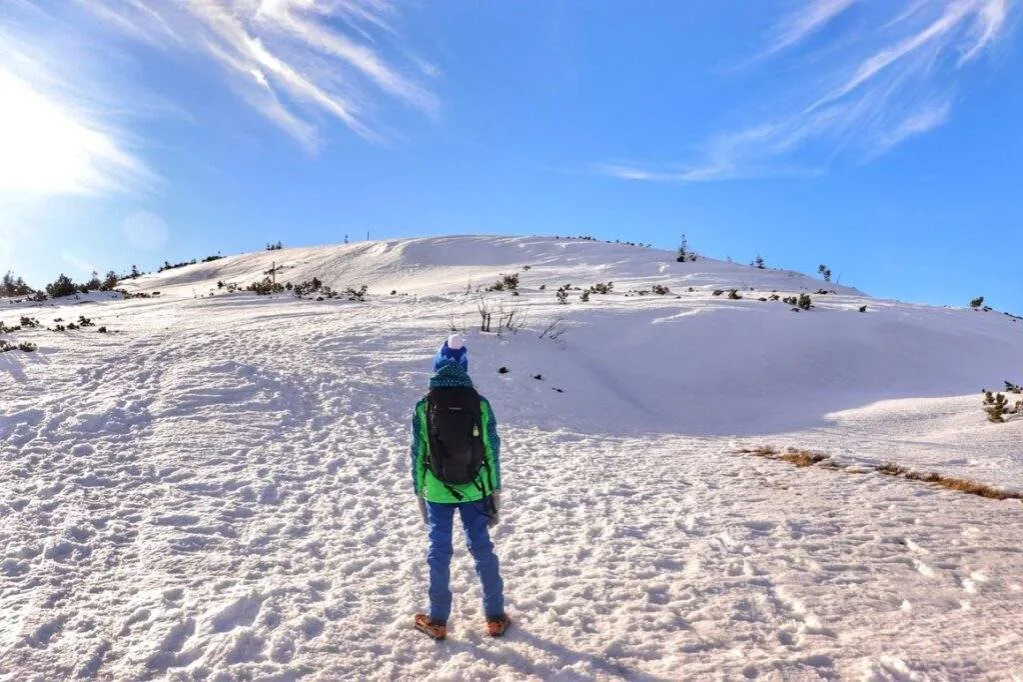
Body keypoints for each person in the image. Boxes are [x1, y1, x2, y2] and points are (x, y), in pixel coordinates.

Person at [410, 334, 509, 640]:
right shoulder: (479, 403)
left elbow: (418, 451)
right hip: (476, 488)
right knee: (482, 549)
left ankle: (437, 620)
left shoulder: (425, 404)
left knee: (439, 552)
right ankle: (495, 616)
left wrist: (419, 491)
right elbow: (491, 448)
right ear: (464, 367)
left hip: (437, 490)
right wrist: (495, 490)